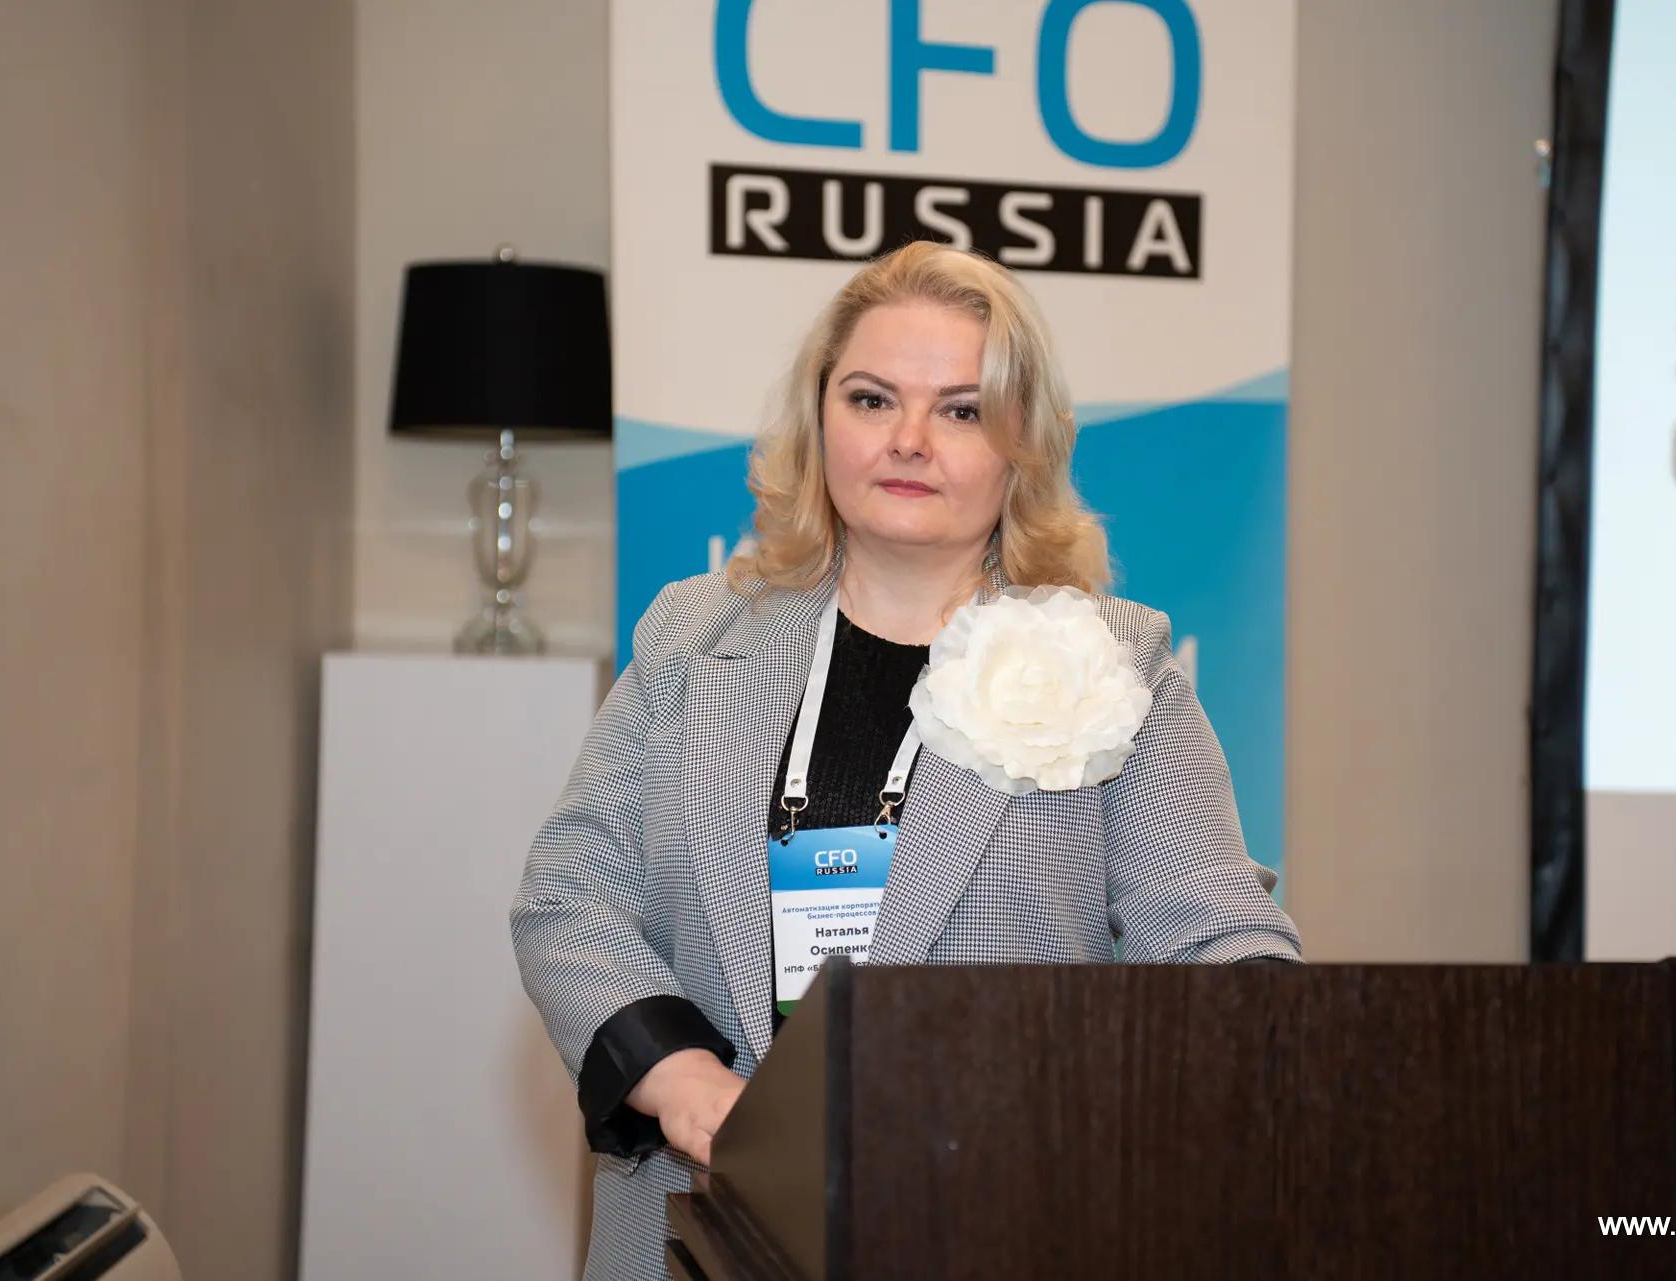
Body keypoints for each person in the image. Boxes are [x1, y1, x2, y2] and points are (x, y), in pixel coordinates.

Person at [510, 241, 1301, 1280]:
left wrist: (1273, 1045)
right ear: (820, 418)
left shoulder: (1117, 661)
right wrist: (684, 1078)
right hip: (694, 1223)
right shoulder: (690, 636)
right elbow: (571, 897)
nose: (910, 440)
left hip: (1000, 1226)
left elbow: (1221, 944)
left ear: (1024, 444)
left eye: (963, 410)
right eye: (872, 399)